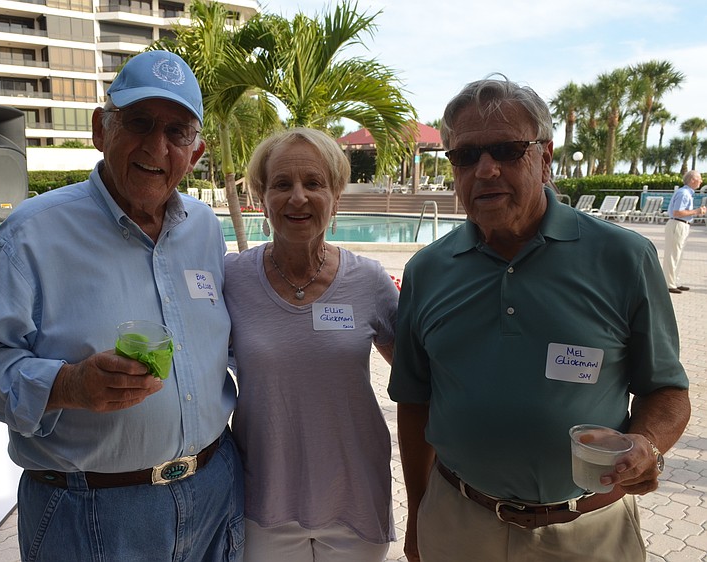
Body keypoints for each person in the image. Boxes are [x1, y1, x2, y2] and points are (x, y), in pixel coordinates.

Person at [0, 51, 245, 561]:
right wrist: (66, 385)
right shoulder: (33, 233)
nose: (156, 146)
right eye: (139, 122)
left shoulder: (204, 229)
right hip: (91, 512)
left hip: (214, 492)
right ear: (102, 129)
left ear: (196, 151)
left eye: (176, 132)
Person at [388, 76, 691, 562]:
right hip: (460, 522)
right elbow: (416, 401)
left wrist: (648, 444)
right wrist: (420, 512)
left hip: (589, 532)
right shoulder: (427, 270)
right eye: (467, 156)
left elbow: (668, 389)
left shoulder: (623, 257)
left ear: (545, 157)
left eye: (507, 150)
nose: (486, 170)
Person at [224, 128, 398, 561]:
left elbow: (419, 379)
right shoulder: (231, 278)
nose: (297, 197)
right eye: (282, 184)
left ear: (336, 196)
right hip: (263, 497)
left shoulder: (370, 281)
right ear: (261, 197)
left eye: (313, 183)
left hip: (354, 495)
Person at [663, 170, 704, 294]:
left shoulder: (686, 193)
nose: (701, 181)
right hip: (678, 224)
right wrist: (696, 211)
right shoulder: (684, 194)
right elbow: (677, 212)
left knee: (678, 254)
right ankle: (669, 283)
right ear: (692, 180)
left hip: (682, 224)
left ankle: (674, 281)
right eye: (699, 178)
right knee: (673, 255)